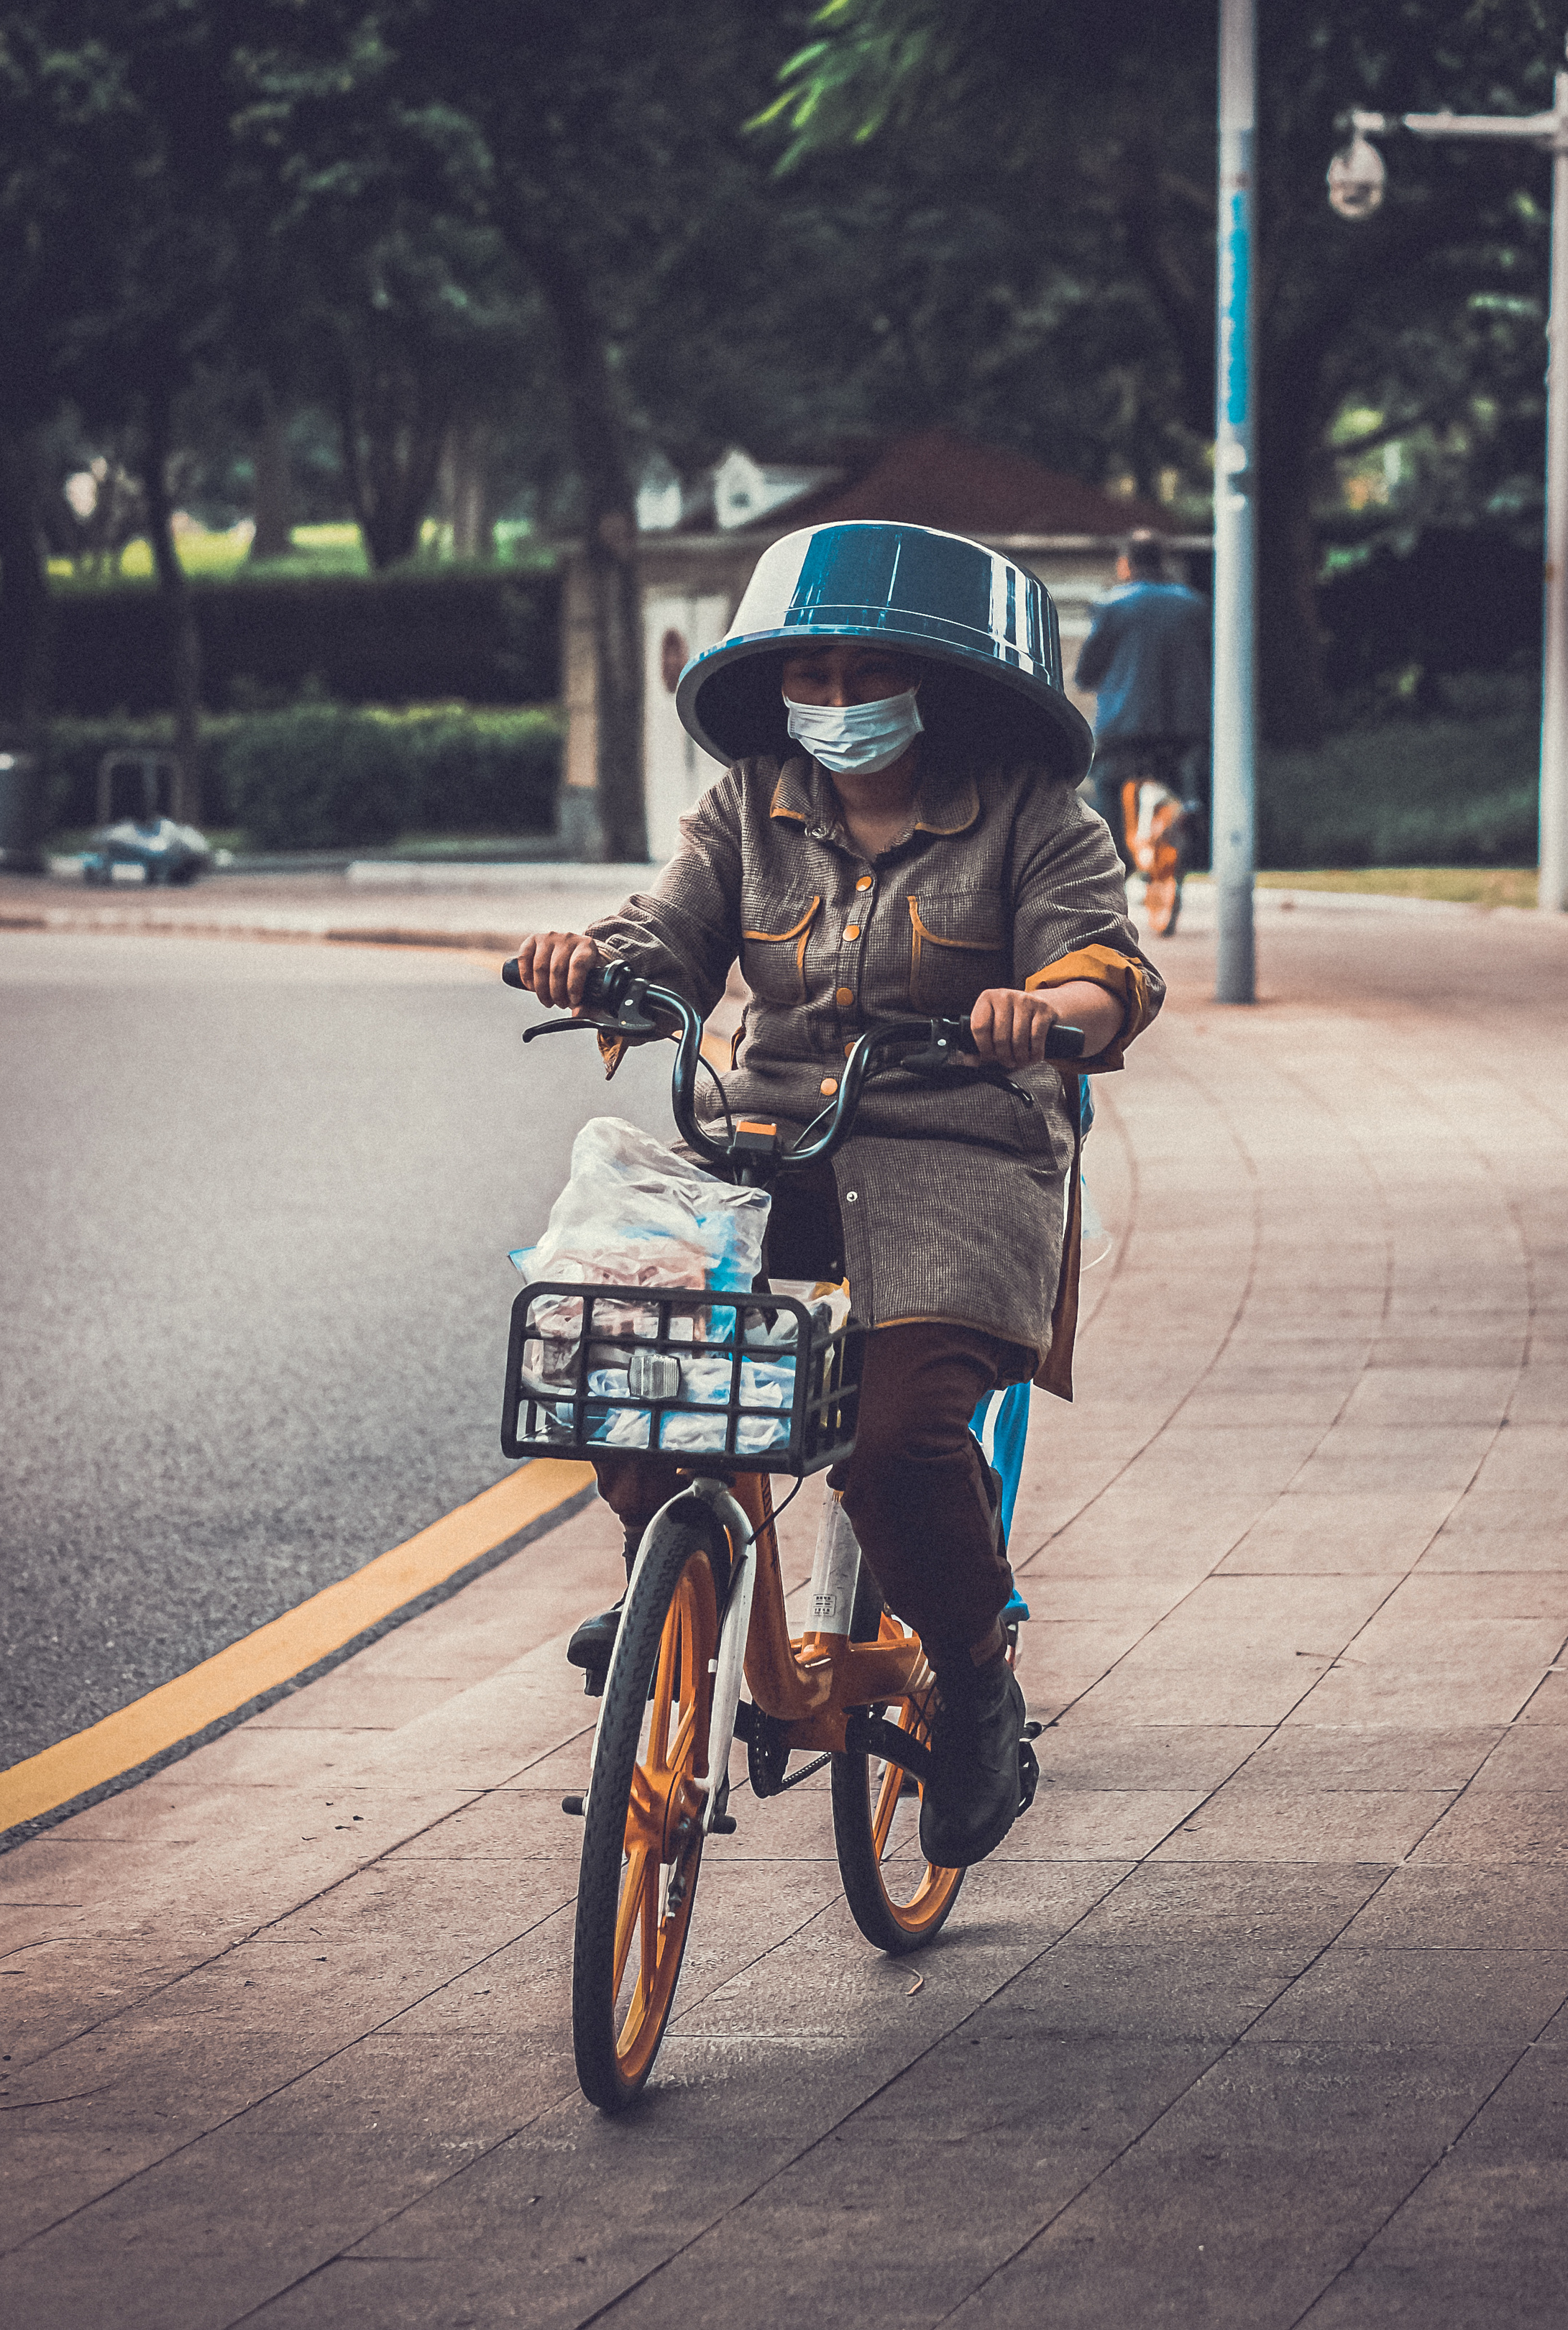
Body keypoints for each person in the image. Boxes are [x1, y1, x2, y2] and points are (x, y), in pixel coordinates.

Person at [517, 520, 1163, 1871]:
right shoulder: (751, 801)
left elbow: (1111, 974)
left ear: (947, 685)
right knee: (625, 1333)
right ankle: (667, 1568)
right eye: (809, 670)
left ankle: (979, 1686)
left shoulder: (1036, 818)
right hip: (764, 1145)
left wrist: (1043, 1009)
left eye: (870, 672)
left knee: (897, 1441)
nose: (835, 700)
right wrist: (595, 962)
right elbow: (671, 936)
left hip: (962, 1159)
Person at [1074, 529, 1211, 872]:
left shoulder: (1112, 606)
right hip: (1184, 724)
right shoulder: (1194, 605)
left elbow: (1089, 668)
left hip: (1125, 726)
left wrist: (1086, 679)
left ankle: (1112, 861)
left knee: (1106, 781)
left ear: (1126, 564)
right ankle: (1186, 813)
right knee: (1180, 779)